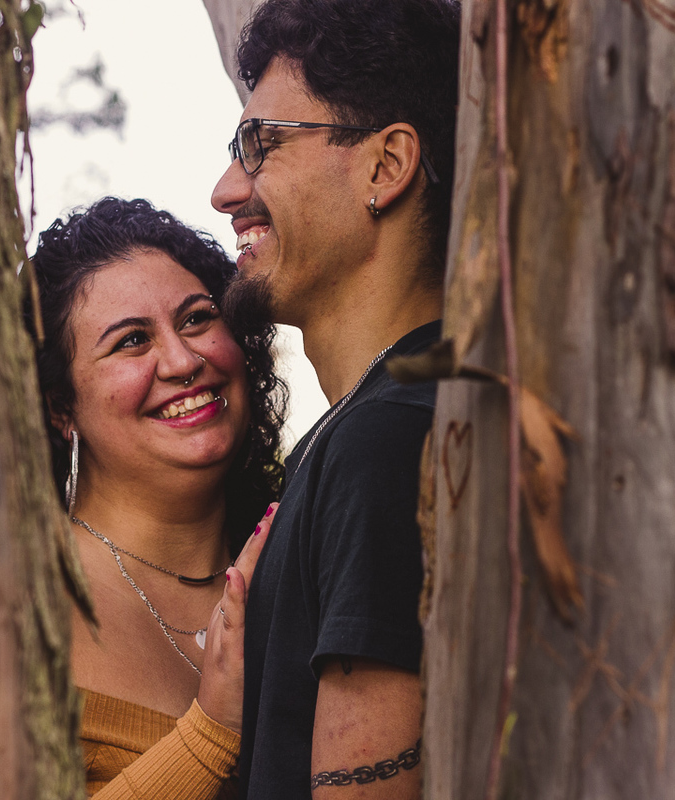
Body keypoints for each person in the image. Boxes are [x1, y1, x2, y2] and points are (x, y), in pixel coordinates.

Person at [208, 0, 461, 797]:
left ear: (386, 167)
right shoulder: (375, 422)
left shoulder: (386, 440)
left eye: (261, 145)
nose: (224, 191)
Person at [27, 197, 287, 798]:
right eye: (132, 341)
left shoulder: (297, 547)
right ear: (61, 407)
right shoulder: (15, 603)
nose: (182, 360)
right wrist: (210, 735)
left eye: (197, 319)